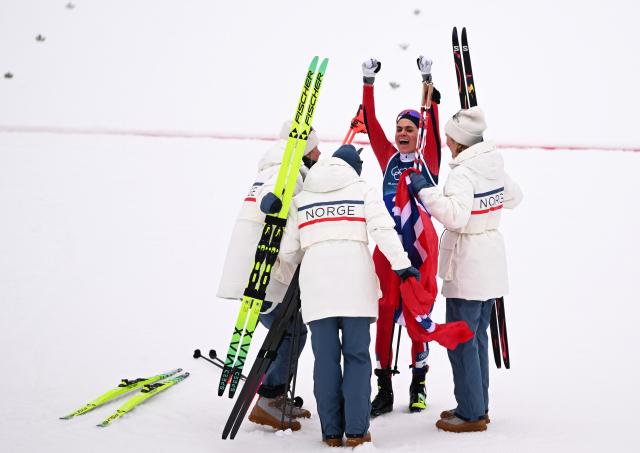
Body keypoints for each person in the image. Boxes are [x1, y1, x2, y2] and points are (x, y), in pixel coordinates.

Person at [273, 145, 419, 447]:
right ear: (354, 168)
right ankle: (356, 431)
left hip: (317, 287)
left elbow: (288, 253)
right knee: (357, 357)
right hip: (355, 284)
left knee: (325, 360)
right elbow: (382, 229)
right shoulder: (362, 190)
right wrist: (402, 265)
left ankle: (330, 433)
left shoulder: (302, 199)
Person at [409, 106, 523, 432]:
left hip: (469, 263)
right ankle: (477, 405)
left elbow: (455, 217)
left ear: (459, 141)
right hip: (491, 261)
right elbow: (514, 197)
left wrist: (424, 190)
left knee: (461, 341)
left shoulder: (462, 173)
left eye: (448, 137)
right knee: (477, 340)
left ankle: (470, 414)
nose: (445, 141)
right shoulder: (493, 165)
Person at [216, 120, 321, 431]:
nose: (319, 154)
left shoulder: (270, 172)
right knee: (291, 333)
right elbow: (283, 221)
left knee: (287, 331)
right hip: (266, 275)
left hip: (254, 274)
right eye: (315, 149)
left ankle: (273, 396)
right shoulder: (285, 176)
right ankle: (268, 399)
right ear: (303, 151)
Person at [361, 56, 442, 415]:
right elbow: (371, 123)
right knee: (383, 314)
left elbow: (434, 129)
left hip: (420, 254)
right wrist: (368, 81)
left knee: (417, 317)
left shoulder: (429, 162)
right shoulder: (388, 158)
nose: (403, 134)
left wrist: (428, 80)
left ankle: (419, 381)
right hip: (389, 251)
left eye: (410, 129)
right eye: (401, 129)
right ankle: (384, 388)